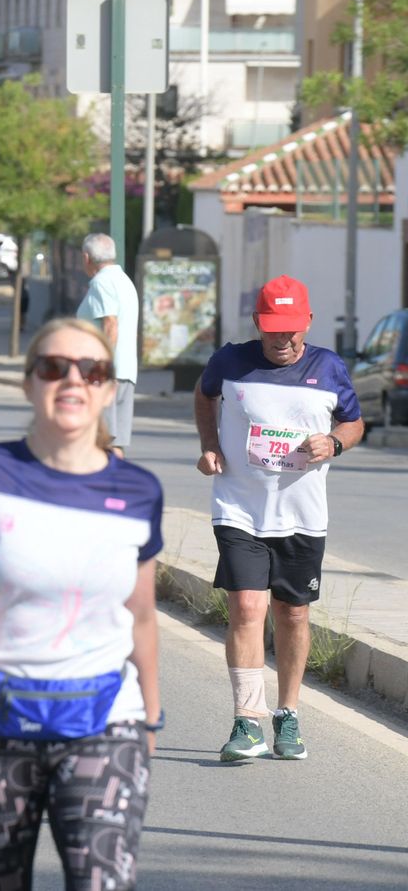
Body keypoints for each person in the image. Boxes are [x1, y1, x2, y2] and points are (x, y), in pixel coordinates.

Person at [0, 317, 163, 890]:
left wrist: (149, 722)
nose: (73, 381)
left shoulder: (140, 492)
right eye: (54, 368)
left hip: (106, 721)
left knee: (102, 881)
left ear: (109, 389)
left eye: (93, 370)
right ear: (29, 384)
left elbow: (142, 616)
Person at [194, 275, 362, 762]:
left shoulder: (329, 368)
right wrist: (208, 445)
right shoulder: (230, 362)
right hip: (239, 507)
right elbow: (205, 396)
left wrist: (333, 443)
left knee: (293, 613)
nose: (282, 339)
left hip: (302, 514)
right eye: (272, 329)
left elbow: (352, 421)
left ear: (307, 322)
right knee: (247, 607)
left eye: (291, 328)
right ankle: (247, 721)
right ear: (257, 324)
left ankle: (288, 714)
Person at [76, 233, 140, 457]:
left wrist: (101, 366)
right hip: (125, 372)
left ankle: (100, 487)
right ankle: (118, 487)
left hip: (106, 373)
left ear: (86, 257)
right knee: (115, 442)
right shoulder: (124, 280)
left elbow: (110, 324)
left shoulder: (102, 282)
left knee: (100, 440)